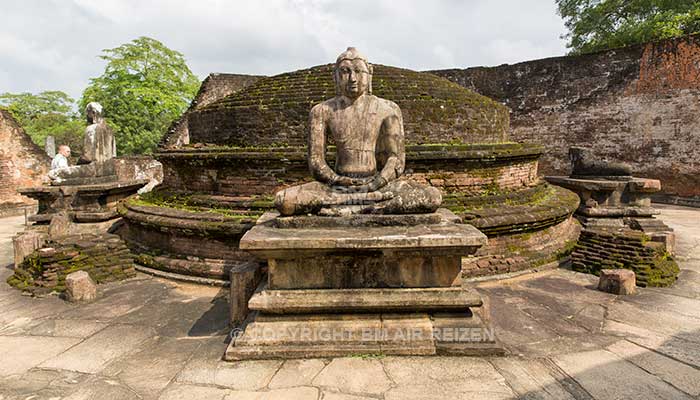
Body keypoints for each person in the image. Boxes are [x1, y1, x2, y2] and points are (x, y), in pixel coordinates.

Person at [274, 47, 441, 216]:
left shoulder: (388, 109)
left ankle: (361, 207)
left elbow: (396, 159)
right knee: (283, 200)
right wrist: (337, 179)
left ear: (370, 74)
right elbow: (316, 161)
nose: (352, 78)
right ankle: (359, 203)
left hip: (377, 184)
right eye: (345, 72)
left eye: (359, 71)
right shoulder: (322, 111)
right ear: (336, 76)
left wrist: (377, 182)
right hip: (337, 187)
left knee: (431, 197)